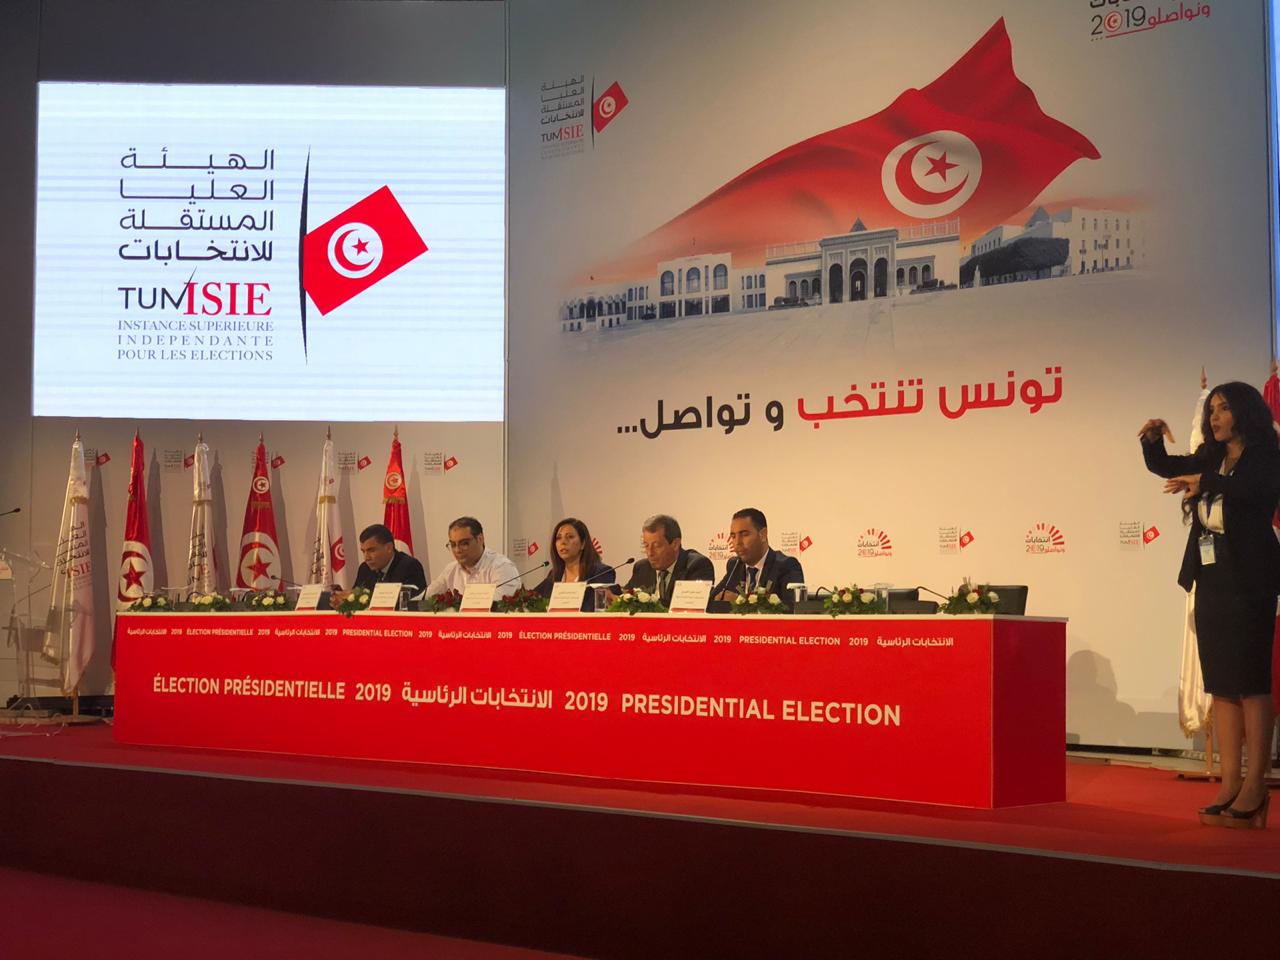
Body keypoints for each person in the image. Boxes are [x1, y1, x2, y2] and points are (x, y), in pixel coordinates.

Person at [1141, 381, 1280, 829]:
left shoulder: (1266, 453)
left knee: (1251, 682)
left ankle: (1256, 785)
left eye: (1222, 409)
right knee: (1220, 681)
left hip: (1251, 575)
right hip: (1213, 575)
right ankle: (1230, 782)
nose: (1214, 417)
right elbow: (1168, 467)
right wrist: (1152, 442)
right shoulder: (1212, 456)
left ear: (1244, 412)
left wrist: (1207, 482)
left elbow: (1256, 491)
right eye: (1212, 410)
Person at [711, 508, 804, 610]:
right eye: (733, 536)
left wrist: (740, 602)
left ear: (763, 534)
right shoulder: (735, 565)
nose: (737, 542)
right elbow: (709, 601)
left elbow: (791, 611)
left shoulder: (786, 566)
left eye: (744, 534)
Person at [622, 514, 714, 606]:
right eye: (646, 545)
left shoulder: (697, 566)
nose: (650, 553)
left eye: (656, 546)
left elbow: (687, 606)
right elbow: (627, 596)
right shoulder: (642, 568)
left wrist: (649, 604)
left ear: (675, 544)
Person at [423, 516, 521, 599]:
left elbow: (498, 606)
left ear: (480, 539)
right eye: (453, 545)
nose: (457, 550)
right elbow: (423, 599)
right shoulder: (451, 569)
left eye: (464, 543)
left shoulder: (502, 567)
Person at [330, 523, 426, 608]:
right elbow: (356, 599)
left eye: (371, 550)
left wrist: (358, 598)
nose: (366, 557)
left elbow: (409, 604)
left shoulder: (409, 566)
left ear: (389, 548)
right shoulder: (365, 568)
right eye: (363, 551)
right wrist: (345, 600)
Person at [534, 517, 616, 611]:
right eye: (558, 538)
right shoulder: (554, 575)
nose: (563, 542)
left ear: (583, 543)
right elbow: (532, 599)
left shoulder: (600, 573)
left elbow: (600, 609)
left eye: (570, 537)